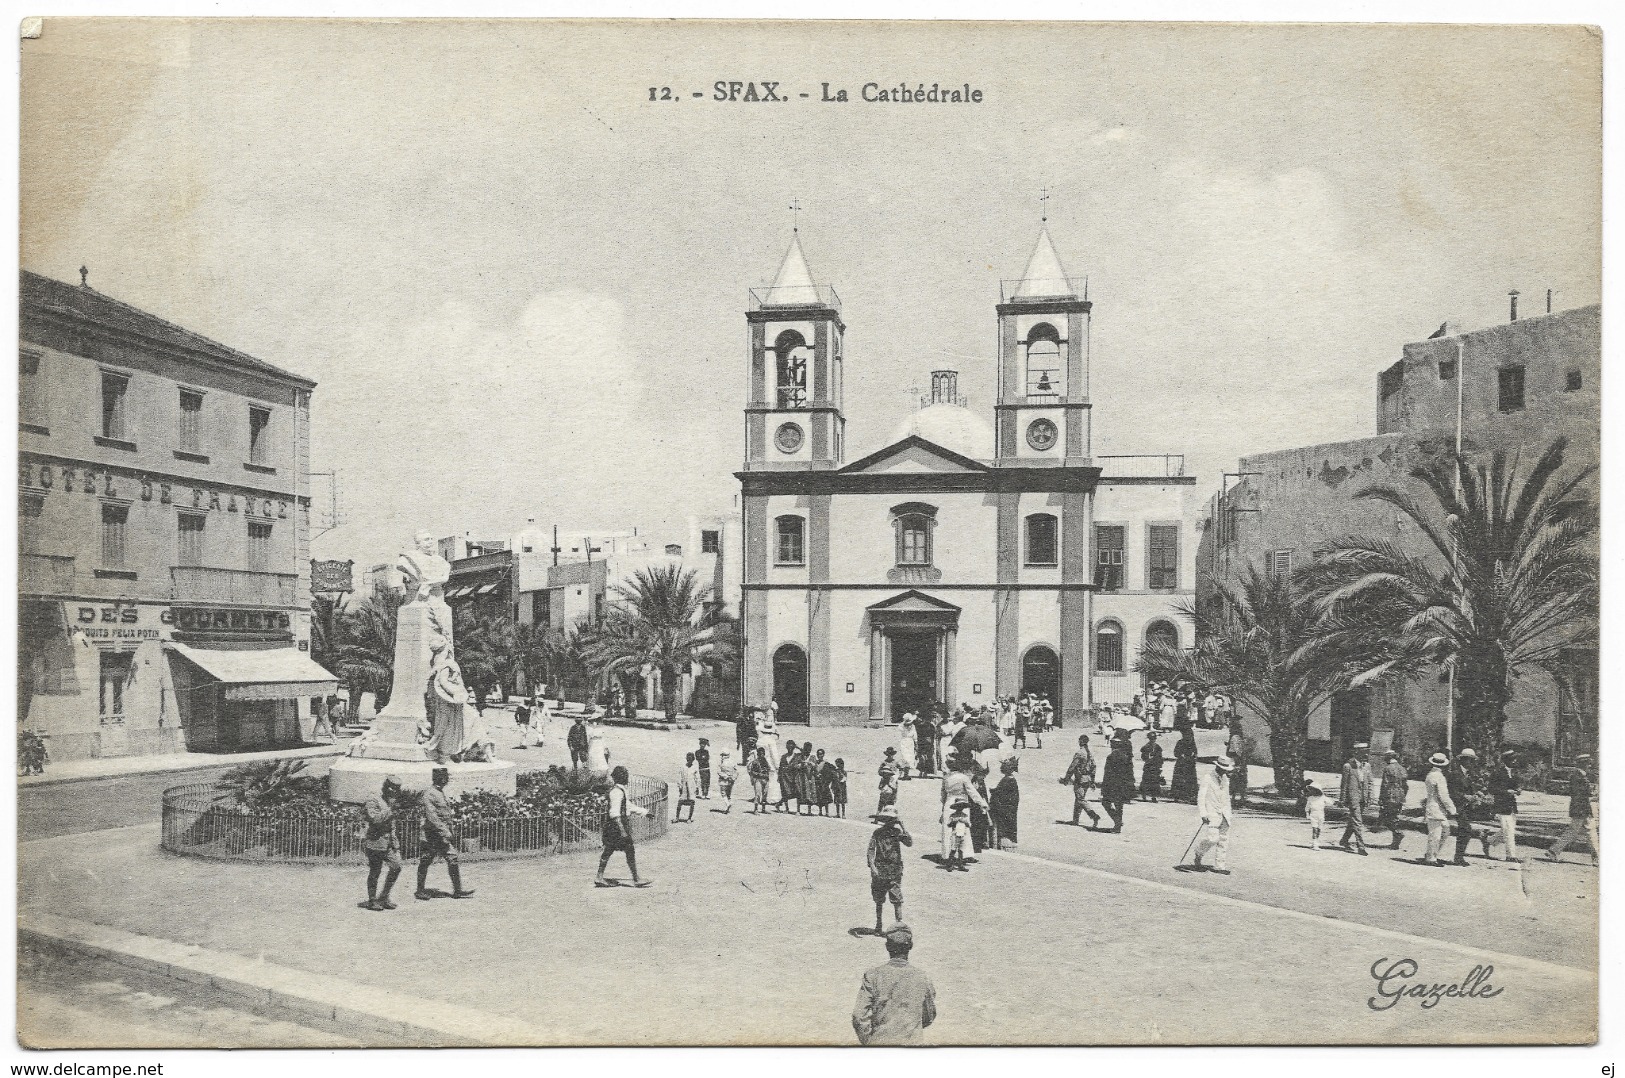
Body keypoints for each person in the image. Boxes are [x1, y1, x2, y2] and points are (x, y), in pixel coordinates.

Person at [851, 924, 936, 1046]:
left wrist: (870, 1042)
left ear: (887, 947)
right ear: (910, 946)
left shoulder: (873, 975)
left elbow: (859, 1016)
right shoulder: (923, 977)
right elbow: (929, 1017)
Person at [416, 767, 474, 900]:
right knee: (425, 861)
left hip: (441, 836)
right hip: (431, 835)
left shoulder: (439, 792)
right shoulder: (430, 794)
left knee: (452, 858)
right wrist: (445, 830)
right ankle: (420, 890)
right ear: (440, 779)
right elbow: (432, 816)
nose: (447, 779)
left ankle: (457, 890)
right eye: (445, 777)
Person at [596, 765, 652, 887]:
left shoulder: (620, 790)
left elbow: (628, 806)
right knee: (627, 849)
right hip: (616, 826)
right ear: (620, 777)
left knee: (610, 850)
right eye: (625, 775)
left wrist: (645, 812)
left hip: (615, 826)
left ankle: (599, 877)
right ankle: (636, 879)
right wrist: (622, 830)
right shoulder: (616, 792)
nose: (627, 777)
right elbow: (615, 813)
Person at [866, 805, 913, 934]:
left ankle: (899, 925)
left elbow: (909, 843)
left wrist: (903, 827)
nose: (889, 823)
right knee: (879, 899)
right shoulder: (877, 833)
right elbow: (871, 850)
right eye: (887, 820)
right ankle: (878, 924)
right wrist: (872, 866)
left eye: (892, 820)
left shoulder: (897, 833)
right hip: (880, 869)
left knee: (897, 898)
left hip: (894, 869)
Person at [1546, 754, 1599, 865]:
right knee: (1581, 832)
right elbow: (1578, 794)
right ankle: (1554, 851)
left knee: (1587, 832)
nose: (1589, 765)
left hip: (1582, 808)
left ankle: (1554, 850)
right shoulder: (1577, 776)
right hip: (1581, 809)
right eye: (1588, 763)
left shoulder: (1581, 775)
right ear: (1583, 764)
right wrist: (1593, 797)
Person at [360, 777, 404, 910]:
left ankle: (384, 897)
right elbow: (375, 819)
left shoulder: (390, 802)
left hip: (388, 844)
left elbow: (392, 827)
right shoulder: (373, 800)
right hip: (375, 842)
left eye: (396, 791)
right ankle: (372, 900)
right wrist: (390, 808)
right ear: (385, 788)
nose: (394, 794)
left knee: (396, 867)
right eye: (393, 790)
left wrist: (395, 844)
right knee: (375, 871)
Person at [1187, 755, 1235, 874]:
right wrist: (1203, 813)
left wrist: (1229, 812)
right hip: (1212, 812)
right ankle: (1198, 852)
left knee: (1223, 840)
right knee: (1212, 838)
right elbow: (1201, 796)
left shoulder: (1225, 780)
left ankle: (1220, 866)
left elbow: (1226, 798)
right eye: (1223, 769)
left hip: (1225, 813)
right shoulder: (1207, 778)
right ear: (1217, 767)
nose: (1225, 771)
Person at [1447, 747, 1492, 864]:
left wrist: (1477, 794)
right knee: (1466, 829)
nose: (1471, 763)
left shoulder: (1470, 774)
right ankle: (1458, 857)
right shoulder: (1455, 774)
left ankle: (1459, 857)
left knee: (1464, 831)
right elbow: (1451, 791)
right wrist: (1465, 796)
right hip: (1457, 806)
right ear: (1462, 760)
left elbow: (1474, 787)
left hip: (1466, 807)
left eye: (1472, 761)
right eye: (1469, 760)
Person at [939, 756, 988, 859]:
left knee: (948, 830)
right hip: (962, 804)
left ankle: (947, 855)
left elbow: (943, 796)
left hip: (949, 803)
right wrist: (982, 803)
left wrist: (943, 807)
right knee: (964, 829)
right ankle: (965, 855)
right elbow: (972, 792)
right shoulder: (963, 777)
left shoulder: (946, 778)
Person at [1422, 752, 1458, 867]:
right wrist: (1452, 809)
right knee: (1436, 833)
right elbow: (1443, 795)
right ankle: (1431, 858)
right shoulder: (1439, 777)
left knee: (1444, 830)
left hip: (1434, 806)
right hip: (1436, 808)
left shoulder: (1430, 774)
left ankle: (1431, 854)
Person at [1337, 743, 1373, 855]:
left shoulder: (1367, 766)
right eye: (1363, 751)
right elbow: (1344, 784)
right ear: (1356, 752)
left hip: (1363, 797)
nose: (1366, 754)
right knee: (1358, 821)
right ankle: (1361, 847)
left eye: (1366, 751)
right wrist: (1342, 799)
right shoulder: (1348, 766)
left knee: (1354, 820)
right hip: (1353, 798)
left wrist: (1370, 797)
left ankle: (1344, 840)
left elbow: (1370, 782)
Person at [1061, 735, 1103, 828]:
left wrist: (1066, 779)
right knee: (1079, 799)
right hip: (1087, 779)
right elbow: (1094, 767)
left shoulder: (1080, 753)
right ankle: (1075, 820)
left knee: (1080, 799)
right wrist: (1092, 780)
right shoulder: (1089, 753)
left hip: (1080, 779)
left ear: (1080, 741)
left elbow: (1072, 767)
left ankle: (1094, 816)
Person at [1099, 732, 1136, 833]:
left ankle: (1117, 821)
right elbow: (1129, 771)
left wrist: (1104, 787)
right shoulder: (1125, 756)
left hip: (1112, 784)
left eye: (1112, 743)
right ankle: (1118, 825)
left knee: (1106, 803)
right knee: (1119, 805)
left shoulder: (1111, 756)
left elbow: (1107, 773)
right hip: (1122, 784)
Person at [1487, 749, 1521, 861]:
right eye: (1512, 759)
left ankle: (1488, 840)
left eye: (1515, 759)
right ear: (1506, 760)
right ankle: (1511, 855)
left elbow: (1515, 785)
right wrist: (1506, 791)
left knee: (1507, 830)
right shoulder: (1497, 773)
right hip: (1501, 805)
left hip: (1511, 805)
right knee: (1509, 831)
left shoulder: (1514, 773)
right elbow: (1491, 788)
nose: (1514, 761)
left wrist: (1518, 789)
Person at [1377, 750, 1410, 851]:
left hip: (1389, 796)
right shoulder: (1402, 768)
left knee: (1386, 818)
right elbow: (1406, 786)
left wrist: (1381, 798)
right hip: (1400, 796)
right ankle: (1395, 843)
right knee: (1394, 817)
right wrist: (1402, 795)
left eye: (1385, 757)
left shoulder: (1388, 768)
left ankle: (1397, 833)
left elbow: (1385, 785)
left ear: (1388, 758)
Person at [989, 756, 1020, 849]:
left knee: (1004, 825)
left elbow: (1001, 792)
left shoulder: (1007, 780)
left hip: (1005, 808)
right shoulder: (1010, 779)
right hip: (1009, 807)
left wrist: (993, 791)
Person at [1169, 723, 1199, 803]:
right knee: (1180, 780)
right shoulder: (1180, 742)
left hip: (1189, 764)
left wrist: (1194, 755)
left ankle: (1189, 795)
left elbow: (1195, 752)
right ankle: (1178, 795)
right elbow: (1176, 753)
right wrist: (1181, 755)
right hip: (1182, 764)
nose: (1188, 736)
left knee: (1190, 780)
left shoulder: (1192, 743)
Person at [1226, 718, 1250, 806]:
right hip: (1241, 761)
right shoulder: (1239, 738)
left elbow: (1234, 751)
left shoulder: (1234, 738)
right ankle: (1242, 797)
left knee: (1234, 779)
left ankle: (1234, 797)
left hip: (1236, 761)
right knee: (1242, 779)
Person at [1139, 731, 1166, 803]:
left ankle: (1154, 797)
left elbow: (1160, 757)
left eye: (1154, 738)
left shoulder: (1157, 747)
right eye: (1151, 739)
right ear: (1149, 739)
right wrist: (1148, 758)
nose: (1153, 740)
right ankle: (1144, 795)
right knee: (1145, 781)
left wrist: (1160, 765)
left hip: (1155, 766)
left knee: (1155, 782)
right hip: (1148, 766)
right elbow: (1143, 757)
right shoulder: (1146, 747)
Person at [946, 801, 972, 871]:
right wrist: (954, 821)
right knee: (953, 849)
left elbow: (969, 825)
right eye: (959, 807)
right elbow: (948, 825)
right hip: (955, 834)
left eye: (962, 807)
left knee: (961, 850)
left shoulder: (965, 816)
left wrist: (965, 822)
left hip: (963, 834)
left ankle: (960, 865)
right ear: (956, 808)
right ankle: (950, 865)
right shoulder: (953, 815)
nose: (960, 808)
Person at [674, 752, 697, 823]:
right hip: (684, 787)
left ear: (693, 760)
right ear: (686, 759)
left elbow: (697, 778)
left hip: (691, 787)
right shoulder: (683, 767)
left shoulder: (694, 768)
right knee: (680, 802)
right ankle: (677, 818)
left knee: (692, 802)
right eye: (688, 759)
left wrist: (697, 788)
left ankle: (689, 818)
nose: (689, 760)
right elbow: (679, 777)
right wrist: (680, 786)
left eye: (691, 759)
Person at [747, 747, 772, 814]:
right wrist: (760, 774)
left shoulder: (765, 761)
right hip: (758, 779)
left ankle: (763, 809)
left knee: (765, 794)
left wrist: (766, 772)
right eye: (761, 754)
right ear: (758, 754)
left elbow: (769, 768)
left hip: (765, 779)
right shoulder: (755, 762)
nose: (762, 755)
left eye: (763, 754)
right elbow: (752, 772)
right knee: (758, 794)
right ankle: (756, 809)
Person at [1304, 780, 1327, 850]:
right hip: (1313, 815)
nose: (1313, 792)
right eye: (1312, 790)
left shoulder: (1323, 798)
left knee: (1319, 829)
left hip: (1321, 815)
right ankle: (1315, 844)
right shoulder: (1310, 798)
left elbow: (1330, 802)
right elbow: (1307, 807)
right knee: (1315, 829)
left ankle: (1315, 841)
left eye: (1315, 790)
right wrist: (1307, 814)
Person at [896, 712, 916, 780]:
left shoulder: (912, 726)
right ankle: (900, 774)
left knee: (909, 758)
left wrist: (916, 742)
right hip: (904, 742)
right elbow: (899, 735)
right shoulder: (901, 726)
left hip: (910, 742)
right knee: (904, 757)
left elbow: (915, 735)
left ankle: (906, 774)